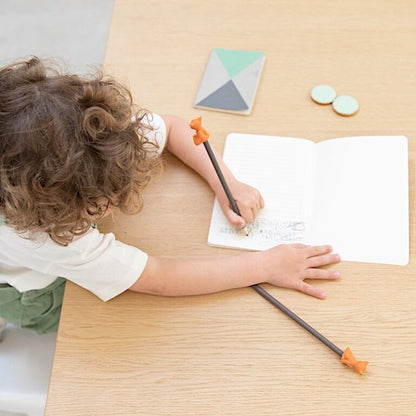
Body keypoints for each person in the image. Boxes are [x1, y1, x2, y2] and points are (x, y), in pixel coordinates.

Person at [0, 57, 340, 334]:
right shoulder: (46, 243)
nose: (112, 207)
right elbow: (158, 278)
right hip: (29, 291)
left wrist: (227, 183)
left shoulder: (90, 130)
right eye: (97, 205)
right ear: (48, 210)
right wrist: (264, 265)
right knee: (78, 320)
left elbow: (175, 128)